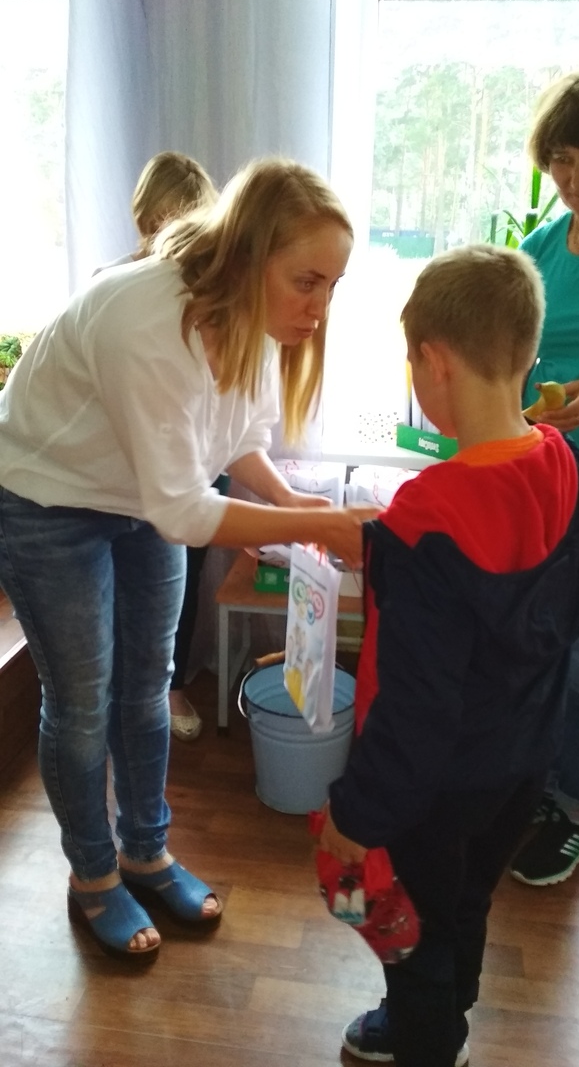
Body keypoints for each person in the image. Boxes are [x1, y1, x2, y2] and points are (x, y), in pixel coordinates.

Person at [0, 155, 374, 962]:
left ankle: (146, 851)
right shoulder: (146, 320)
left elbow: (235, 440)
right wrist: (320, 527)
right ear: (249, 256)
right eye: (307, 282)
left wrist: (294, 503)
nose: (319, 308)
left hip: (141, 498)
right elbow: (183, 510)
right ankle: (93, 875)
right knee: (83, 702)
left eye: (332, 286)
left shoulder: (252, 320)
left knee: (148, 685)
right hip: (46, 499)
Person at [318, 244, 579, 1067]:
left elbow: (416, 707)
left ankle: (428, 1040)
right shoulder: (567, 463)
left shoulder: (423, 519)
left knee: (415, 936)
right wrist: (386, 549)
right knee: (465, 904)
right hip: (520, 764)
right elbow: (552, 610)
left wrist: (354, 815)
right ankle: (450, 1016)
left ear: (432, 361)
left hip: (432, 788)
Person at [508, 71, 579, 887]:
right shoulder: (540, 248)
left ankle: (575, 811)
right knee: (541, 647)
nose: (576, 177)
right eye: (562, 159)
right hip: (547, 485)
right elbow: (511, 353)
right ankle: (541, 789)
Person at [96, 150, 221, 741]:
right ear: (144, 220)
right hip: (125, 473)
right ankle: (121, 687)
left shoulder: (208, 293)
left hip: (194, 456)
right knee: (121, 588)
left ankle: (166, 685)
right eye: (159, 224)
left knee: (182, 580)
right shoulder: (111, 285)